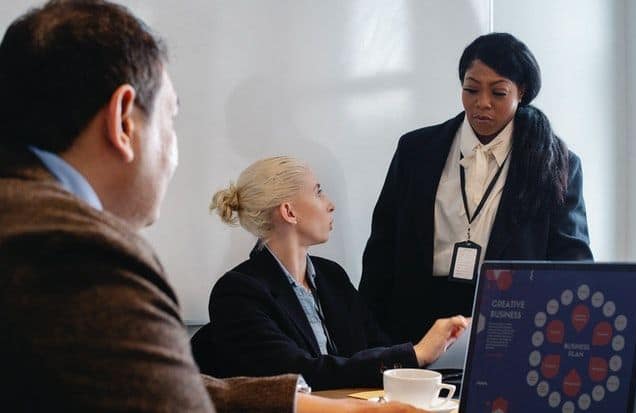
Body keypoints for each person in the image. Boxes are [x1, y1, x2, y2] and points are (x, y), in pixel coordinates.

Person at [0, 1, 431, 412]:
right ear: (123, 120)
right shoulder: (80, 253)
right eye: (171, 119)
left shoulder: (27, 217)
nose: (174, 155)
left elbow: (185, 388)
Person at [359, 32, 593, 345]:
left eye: (498, 93)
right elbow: (382, 248)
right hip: (415, 321)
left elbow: (571, 262)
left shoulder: (557, 162)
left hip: (510, 320)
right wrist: (366, 332)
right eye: (471, 90)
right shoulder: (417, 150)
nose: (482, 103)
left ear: (521, 92)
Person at [198, 156, 468, 390]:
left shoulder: (332, 277)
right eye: (318, 192)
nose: (330, 204)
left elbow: (375, 346)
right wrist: (415, 354)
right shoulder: (237, 293)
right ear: (289, 211)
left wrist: (433, 350)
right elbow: (297, 375)